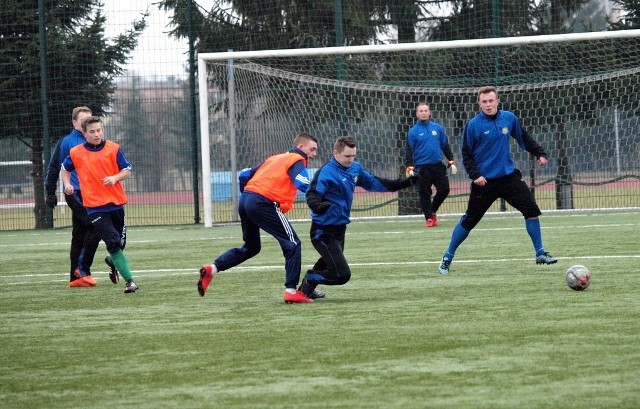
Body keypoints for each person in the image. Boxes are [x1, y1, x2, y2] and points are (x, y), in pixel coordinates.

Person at [438, 86, 557, 275]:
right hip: (484, 182)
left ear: (497, 101)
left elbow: (523, 138)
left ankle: (540, 252)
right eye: (484, 102)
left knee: (531, 211)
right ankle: (447, 258)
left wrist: (539, 153)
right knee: (469, 221)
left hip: (509, 178)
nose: (488, 104)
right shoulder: (474, 125)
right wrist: (476, 175)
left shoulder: (508, 118)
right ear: (479, 104)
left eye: (491, 101)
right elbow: (466, 154)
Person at [197, 132, 319, 303]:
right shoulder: (297, 159)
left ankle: (213, 269)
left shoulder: (274, 159)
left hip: (247, 199)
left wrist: (248, 196)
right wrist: (318, 194)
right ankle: (291, 291)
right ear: (300, 147)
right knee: (292, 243)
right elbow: (302, 182)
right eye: (312, 149)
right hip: (264, 202)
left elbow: (244, 174)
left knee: (251, 247)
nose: (314, 154)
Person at [298, 135, 418, 299]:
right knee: (341, 275)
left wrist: (407, 182)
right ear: (336, 153)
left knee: (329, 262)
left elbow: (377, 183)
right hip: (322, 231)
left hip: (340, 229)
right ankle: (311, 278)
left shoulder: (355, 168)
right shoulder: (326, 172)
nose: (351, 159)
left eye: (353, 155)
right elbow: (311, 193)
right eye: (347, 156)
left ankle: (305, 290)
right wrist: (317, 206)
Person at [60, 116, 138, 293]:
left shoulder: (114, 148)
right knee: (113, 243)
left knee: (120, 244)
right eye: (92, 132)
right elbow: (65, 169)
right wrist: (67, 185)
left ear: (102, 130)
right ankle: (130, 281)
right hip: (95, 208)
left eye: (99, 130)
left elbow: (127, 171)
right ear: (85, 134)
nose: (96, 134)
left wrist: (114, 178)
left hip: (116, 204)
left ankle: (112, 261)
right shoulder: (76, 152)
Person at [44, 106, 119, 287]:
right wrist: (49, 191)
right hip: (76, 194)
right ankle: (82, 269)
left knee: (79, 235)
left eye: (90, 120)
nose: (88, 123)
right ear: (75, 123)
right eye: (83, 120)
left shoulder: (96, 142)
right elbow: (55, 168)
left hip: (94, 194)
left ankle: (75, 277)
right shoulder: (67, 142)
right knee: (95, 226)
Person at [404, 102, 457, 227]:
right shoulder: (413, 131)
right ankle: (429, 218)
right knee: (424, 193)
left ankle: (432, 210)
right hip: (422, 168)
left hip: (438, 165)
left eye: (425, 110)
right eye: (421, 111)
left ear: (429, 112)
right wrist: (409, 165)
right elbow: (408, 150)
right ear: (417, 114)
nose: (423, 113)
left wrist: (451, 159)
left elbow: (445, 145)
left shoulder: (438, 128)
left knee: (444, 189)